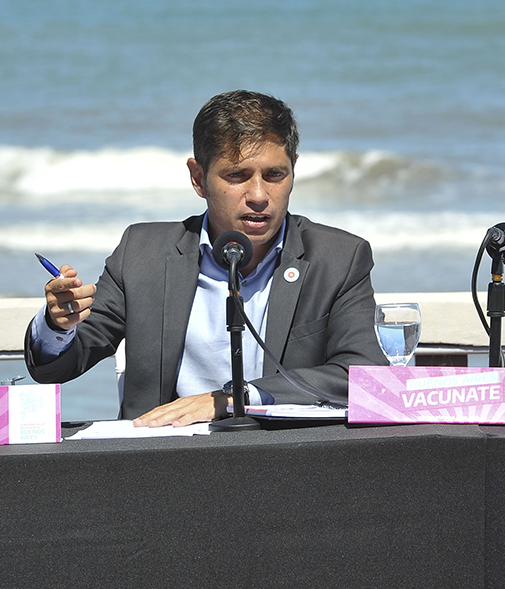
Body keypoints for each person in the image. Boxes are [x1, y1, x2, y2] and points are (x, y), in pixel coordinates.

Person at [26, 90, 388, 425]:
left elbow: (362, 375)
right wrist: (59, 326)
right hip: (163, 466)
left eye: (275, 174)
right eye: (237, 175)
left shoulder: (339, 258)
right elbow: (58, 367)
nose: (259, 195)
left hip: (286, 466)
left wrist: (234, 398)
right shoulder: (142, 252)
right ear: (198, 178)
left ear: (294, 168)